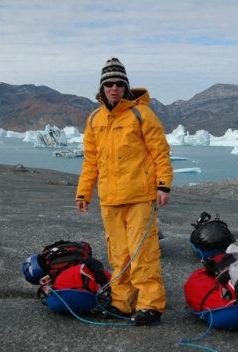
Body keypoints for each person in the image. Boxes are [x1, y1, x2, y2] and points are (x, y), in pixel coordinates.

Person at [75, 57, 173, 325]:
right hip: (110, 198)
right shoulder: (95, 118)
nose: (114, 88)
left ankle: (150, 305)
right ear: (102, 88)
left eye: (119, 83)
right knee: (118, 253)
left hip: (140, 195)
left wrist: (163, 185)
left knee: (143, 253)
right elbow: (91, 160)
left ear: (126, 86)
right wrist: (84, 193)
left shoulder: (141, 114)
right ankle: (122, 302)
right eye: (109, 84)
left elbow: (160, 152)